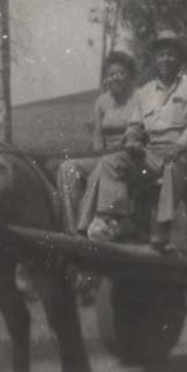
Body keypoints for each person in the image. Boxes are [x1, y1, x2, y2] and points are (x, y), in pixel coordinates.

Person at [86, 30, 187, 248]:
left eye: (170, 54)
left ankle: (163, 225)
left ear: (180, 57)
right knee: (111, 161)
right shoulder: (145, 92)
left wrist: (181, 143)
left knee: (174, 162)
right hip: (155, 152)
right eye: (160, 55)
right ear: (155, 59)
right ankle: (115, 219)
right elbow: (135, 125)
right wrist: (131, 141)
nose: (165, 59)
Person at [56, 50, 138, 235]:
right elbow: (97, 136)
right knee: (67, 168)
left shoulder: (137, 100)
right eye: (111, 74)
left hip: (127, 158)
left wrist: (111, 155)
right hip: (104, 155)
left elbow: (138, 133)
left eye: (120, 73)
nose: (115, 78)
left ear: (129, 76)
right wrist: (100, 153)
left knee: (103, 167)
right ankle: (68, 226)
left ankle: (82, 228)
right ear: (106, 79)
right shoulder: (102, 101)